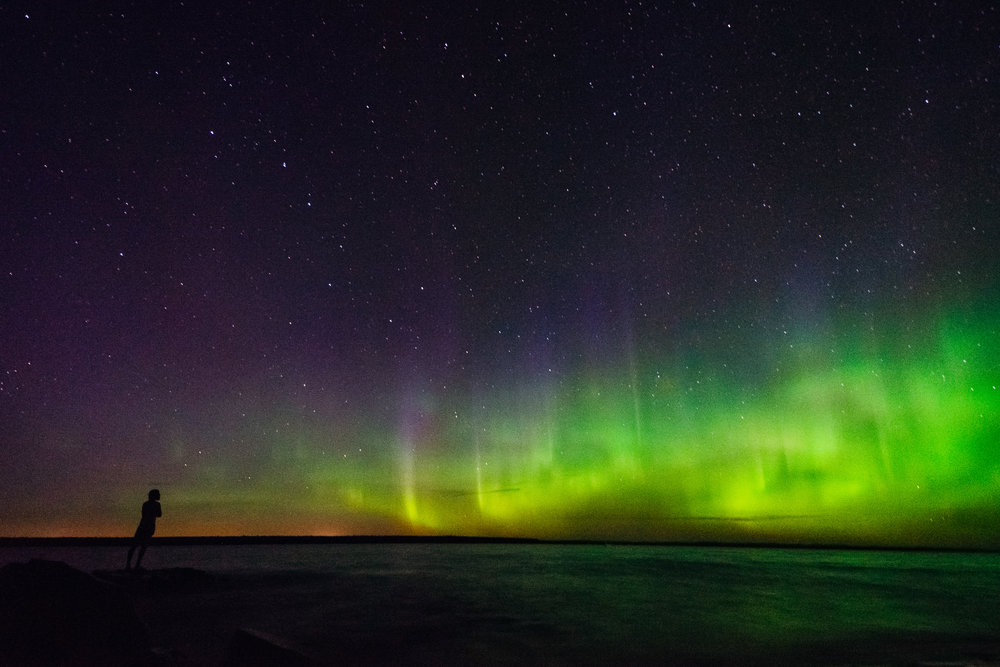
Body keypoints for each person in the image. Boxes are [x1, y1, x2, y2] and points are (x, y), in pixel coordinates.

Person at [125, 489, 161, 571]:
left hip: (144, 526)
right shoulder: (155, 504)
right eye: (158, 494)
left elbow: (155, 514)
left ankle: (131, 565)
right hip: (147, 526)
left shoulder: (146, 504)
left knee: (137, 546)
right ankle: (133, 565)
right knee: (140, 546)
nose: (159, 496)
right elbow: (159, 514)